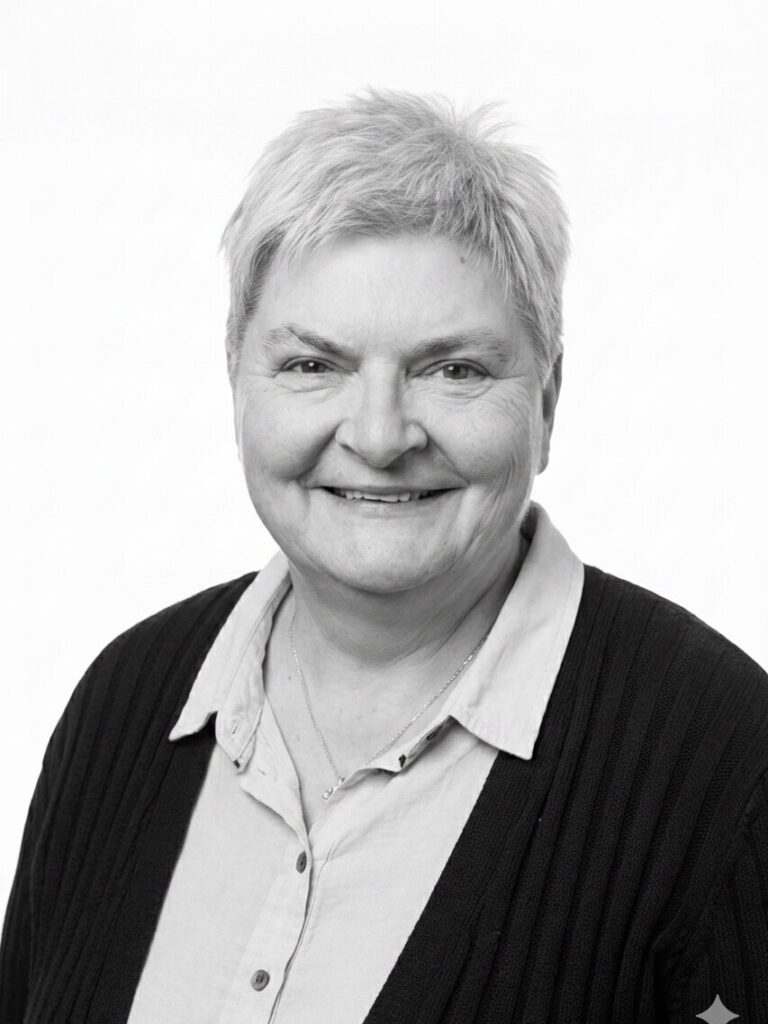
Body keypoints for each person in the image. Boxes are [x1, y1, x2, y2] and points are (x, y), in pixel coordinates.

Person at [1, 89, 767, 1024]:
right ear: (236, 379)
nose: (378, 434)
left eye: (454, 369)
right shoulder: (123, 706)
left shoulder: (727, 771)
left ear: (547, 398)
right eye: (312, 365)